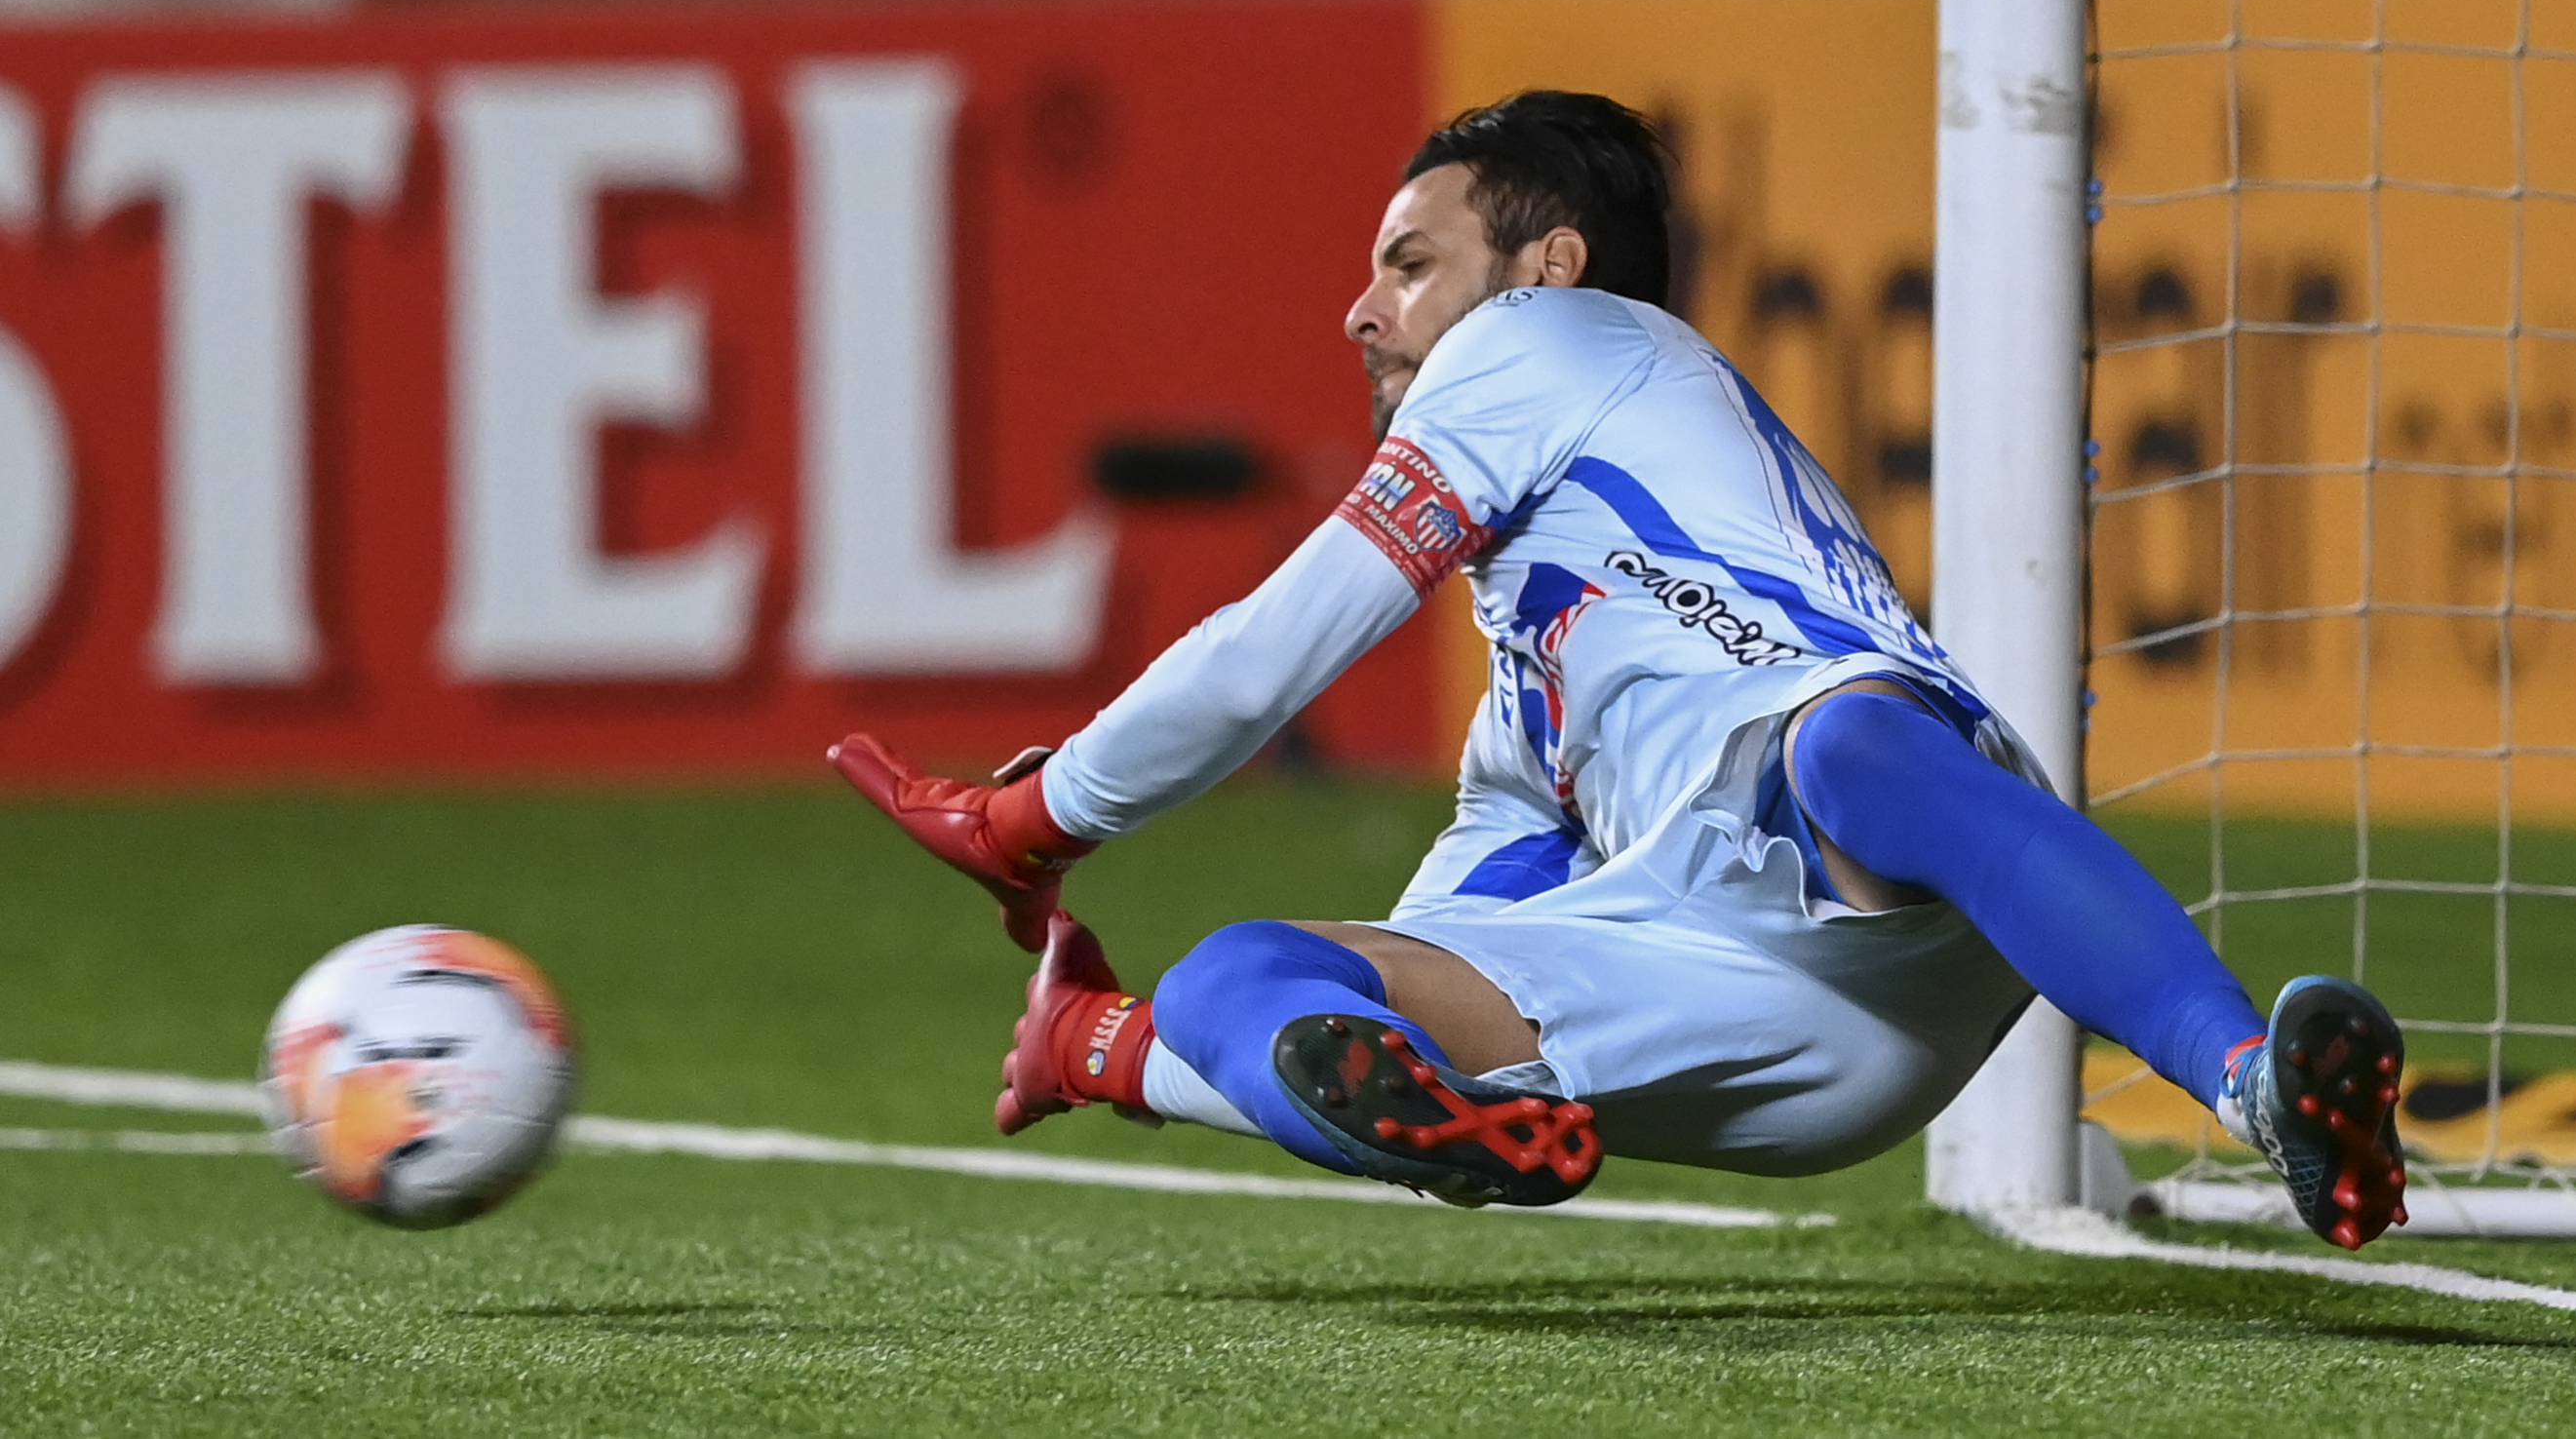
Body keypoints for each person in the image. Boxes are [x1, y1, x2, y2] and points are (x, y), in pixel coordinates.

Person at [830, 90, 2409, 1249]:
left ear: (1546, 270)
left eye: (1405, 264)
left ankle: (2248, 1079)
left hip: (1897, 862)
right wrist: (1161, 1042)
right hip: (1785, 1024)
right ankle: (1142, 1056)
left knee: (1840, 747)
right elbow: (1464, 930)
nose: (1361, 314)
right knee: (1253, 971)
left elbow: (1274, 650)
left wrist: (1041, 814)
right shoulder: (1535, 680)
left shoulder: (1556, 345)